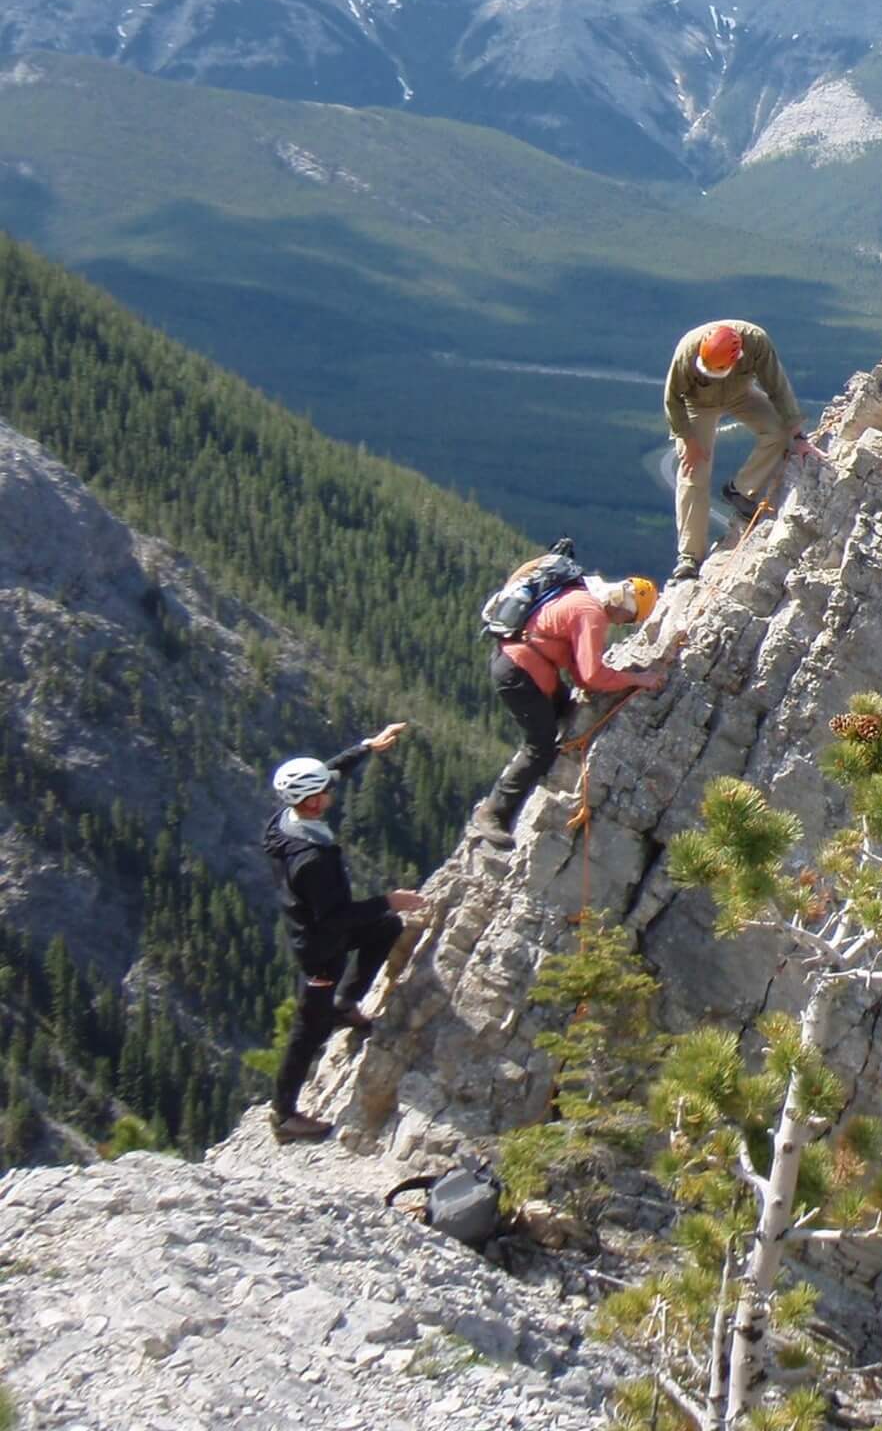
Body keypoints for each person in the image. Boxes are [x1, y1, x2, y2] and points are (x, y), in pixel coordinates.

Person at [262, 726, 427, 1142]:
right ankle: (283, 1117)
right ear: (313, 802)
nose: (331, 794)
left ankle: (344, 1004)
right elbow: (335, 918)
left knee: (385, 929)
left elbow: (328, 773)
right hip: (320, 950)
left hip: (319, 935)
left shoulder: (285, 820)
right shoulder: (311, 860)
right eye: (324, 792)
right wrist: (389, 899)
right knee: (307, 1034)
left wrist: (366, 748)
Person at [471, 574, 666, 845]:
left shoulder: (582, 598)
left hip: (522, 666)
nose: (622, 624)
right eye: (630, 619)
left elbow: (579, 670)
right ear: (626, 608)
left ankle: (526, 787)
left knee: (567, 713)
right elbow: (591, 676)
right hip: (520, 674)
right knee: (540, 745)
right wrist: (637, 679)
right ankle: (492, 813)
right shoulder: (592, 613)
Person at [664, 320, 815, 584]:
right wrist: (687, 439)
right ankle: (689, 558)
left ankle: (740, 490)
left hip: (740, 393)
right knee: (693, 471)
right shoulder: (688, 349)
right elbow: (672, 398)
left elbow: (777, 387)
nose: (711, 372)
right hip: (697, 403)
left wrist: (799, 436)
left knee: (778, 432)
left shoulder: (757, 342)